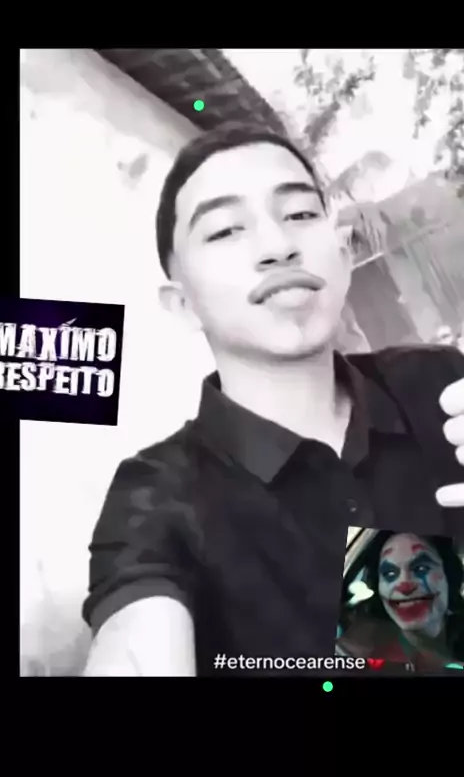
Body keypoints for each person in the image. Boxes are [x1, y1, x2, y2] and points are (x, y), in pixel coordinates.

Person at [82, 122, 464, 676]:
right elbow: (137, 640)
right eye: (225, 230)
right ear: (183, 305)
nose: (278, 246)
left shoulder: (441, 387)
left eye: (300, 214)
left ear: (341, 255)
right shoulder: (157, 499)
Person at [337, 531, 464, 672]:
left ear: (449, 576)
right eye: (390, 574)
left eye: (421, 568)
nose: (405, 586)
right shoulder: (362, 646)